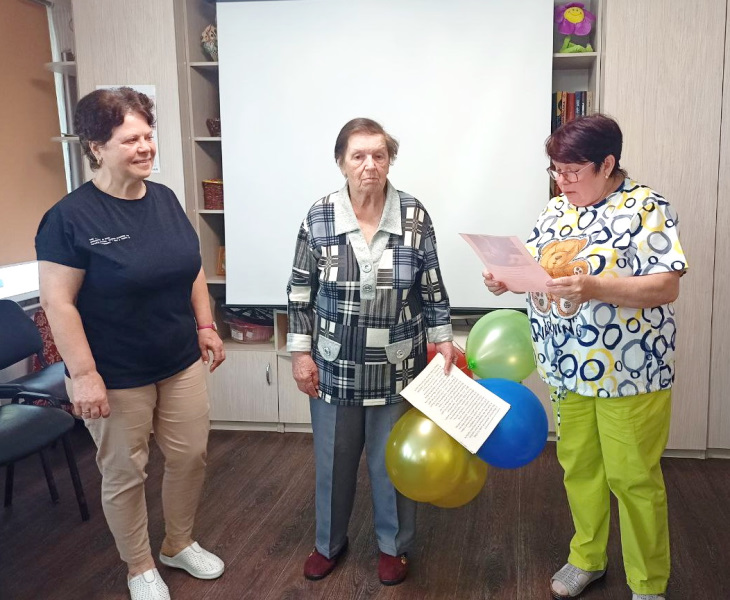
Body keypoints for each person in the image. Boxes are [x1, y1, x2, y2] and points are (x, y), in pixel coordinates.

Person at [483, 114, 686, 600]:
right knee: (579, 466)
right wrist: (505, 280)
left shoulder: (645, 207)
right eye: (556, 170)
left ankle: (648, 583)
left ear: (607, 164)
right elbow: (538, 270)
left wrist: (595, 287)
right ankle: (587, 557)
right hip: (566, 366)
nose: (562, 180)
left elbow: (666, 285)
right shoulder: (556, 210)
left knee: (632, 477)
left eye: (573, 171)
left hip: (630, 370)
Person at [35, 87, 226, 600]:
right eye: (130, 139)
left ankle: (178, 543)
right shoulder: (69, 219)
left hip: (179, 359)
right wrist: (84, 375)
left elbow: (191, 266)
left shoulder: (163, 199)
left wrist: (205, 325)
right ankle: (139, 565)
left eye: (148, 135)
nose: (145, 147)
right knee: (125, 471)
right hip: (115, 372)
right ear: (96, 146)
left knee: (190, 456)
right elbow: (58, 303)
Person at [286, 118, 455, 586]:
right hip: (333, 364)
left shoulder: (414, 214)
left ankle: (392, 546)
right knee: (333, 462)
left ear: (389, 161)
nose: (369, 165)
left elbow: (432, 285)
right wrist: (300, 354)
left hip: (397, 365)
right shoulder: (319, 216)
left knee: (392, 462)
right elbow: (300, 290)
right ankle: (328, 544)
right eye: (358, 155)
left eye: (379, 155)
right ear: (341, 162)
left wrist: (443, 337)